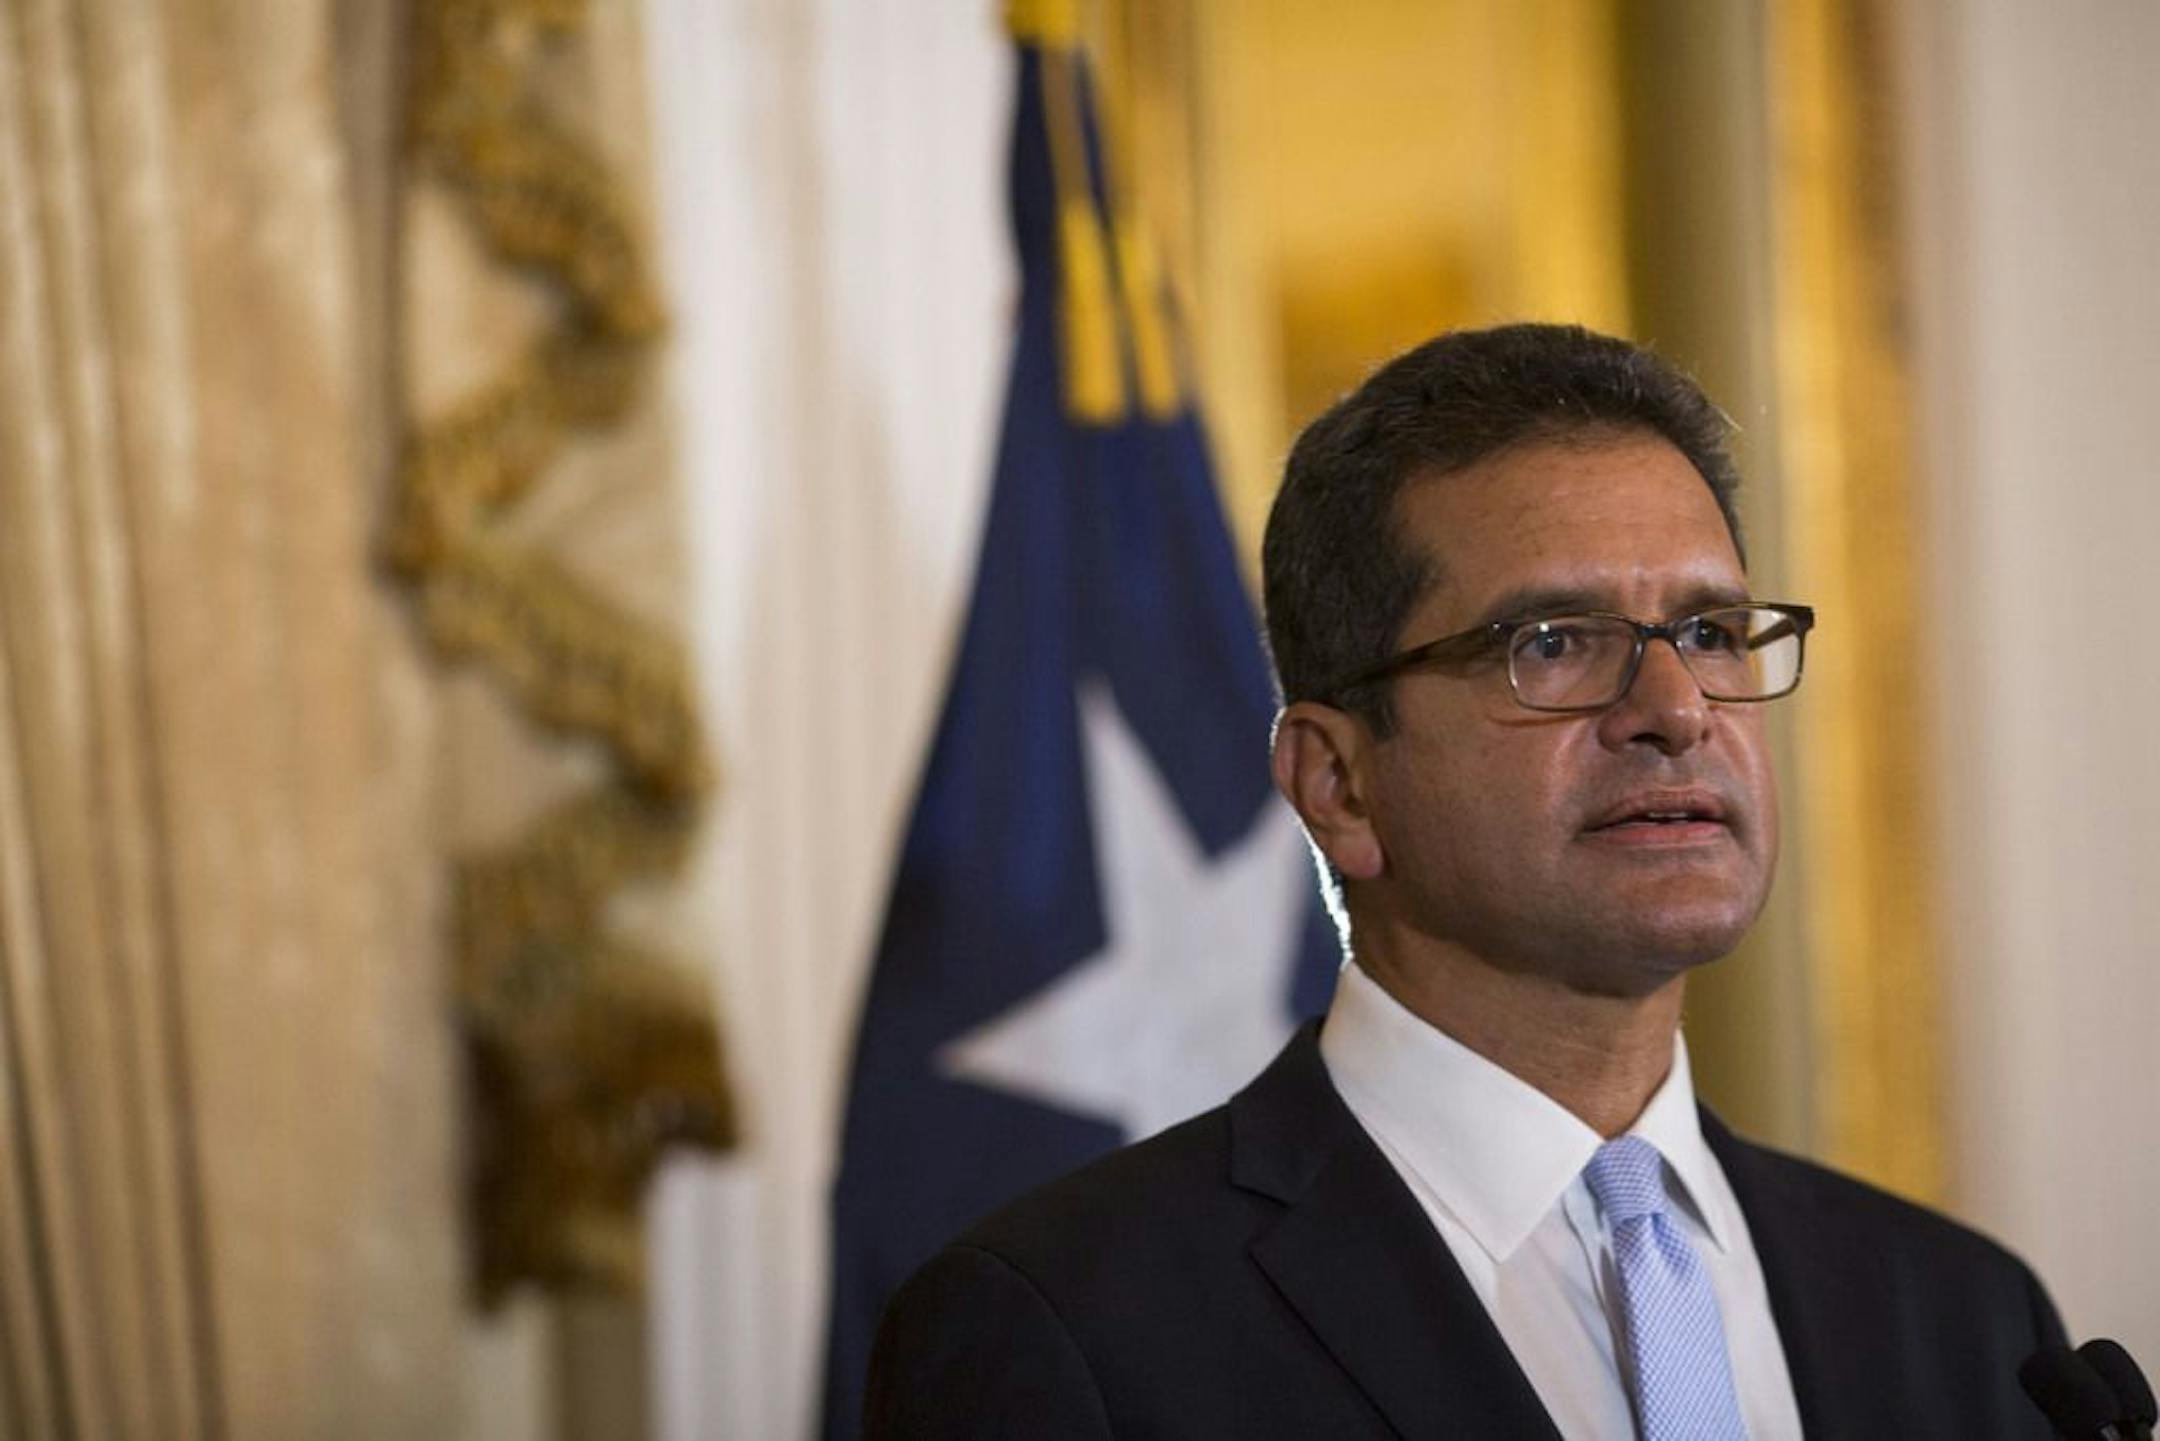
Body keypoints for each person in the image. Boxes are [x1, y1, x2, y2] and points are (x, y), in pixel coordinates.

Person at [863, 324, 2064, 1439]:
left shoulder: (1970, 1321)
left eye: (1710, 632)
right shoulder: (1069, 1333)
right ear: (1338, 783)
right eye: (1552, 643)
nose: (1677, 711)